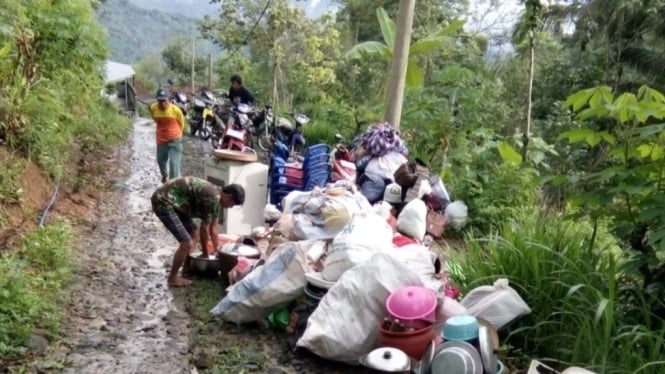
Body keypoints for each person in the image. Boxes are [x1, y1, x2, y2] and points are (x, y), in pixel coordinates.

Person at [151, 177, 245, 287]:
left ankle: (186, 269)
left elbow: (213, 227)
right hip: (163, 201)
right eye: (232, 204)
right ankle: (172, 278)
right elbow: (204, 229)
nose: (230, 207)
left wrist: (217, 249)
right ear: (229, 197)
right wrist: (205, 254)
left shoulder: (217, 197)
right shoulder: (213, 197)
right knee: (186, 243)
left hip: (175, 202)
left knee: (193, 232)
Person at [149, 88, 185, 184]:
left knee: (174, 164)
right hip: (161, 139)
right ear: (157, 100)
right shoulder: (153, 108)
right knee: (160, 160)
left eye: (164, 101)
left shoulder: (175, 110)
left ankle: (173, 186)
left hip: (175, 140)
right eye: (160, 101)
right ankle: (164, 175)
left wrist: (179, 135)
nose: (163, 103)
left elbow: (182, 122)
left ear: (168, 100)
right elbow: (154, 118)